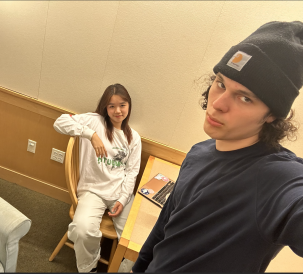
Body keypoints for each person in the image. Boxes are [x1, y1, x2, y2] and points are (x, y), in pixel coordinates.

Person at [132, 21, 303, 272]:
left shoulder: (276, 179)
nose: (218, 104)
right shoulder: (198, 152)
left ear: (272, 115)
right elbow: (165, 227)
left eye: (245, 98)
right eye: (221, 83)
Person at [53, 84, 142, 273]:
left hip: (120, 192)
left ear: (129, 106)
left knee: (136, 241)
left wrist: (123, 198)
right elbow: (59, 122)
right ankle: (90, 268)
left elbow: (132, 172)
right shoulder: (95, 122)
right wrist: (90, 134)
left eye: (122, 105)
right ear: (105, 107)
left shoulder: (134, 138)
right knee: (82, 229)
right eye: (111, 106)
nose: (117, 111)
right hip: (93, 190)